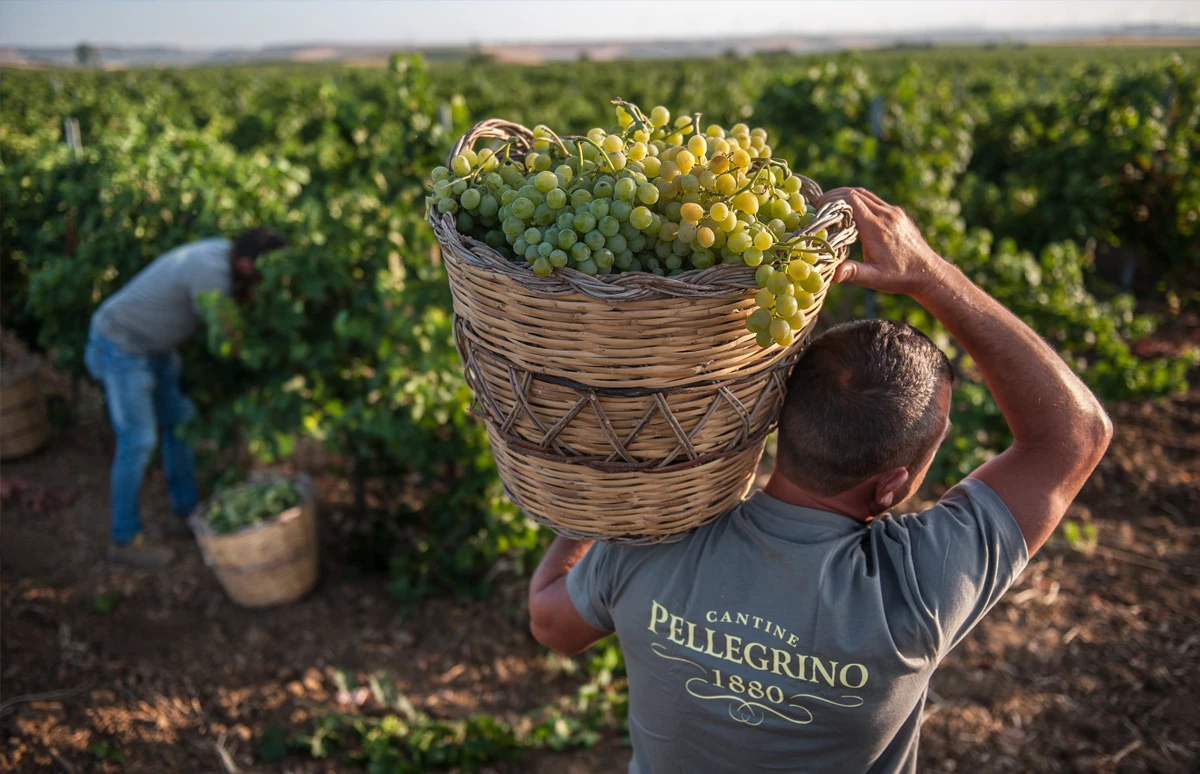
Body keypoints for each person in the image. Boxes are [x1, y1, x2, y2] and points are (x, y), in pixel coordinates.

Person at [527, 188, 1113, 772]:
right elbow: (1075, 436)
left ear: (779, 417)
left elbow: (551, 623)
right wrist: (929, 276)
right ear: (890, 486)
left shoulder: (661, 536)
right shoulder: (917, 586)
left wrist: (605, 496)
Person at [85, 229, 285, 569]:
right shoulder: (211, 274)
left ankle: (186, 511)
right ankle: (124, 539)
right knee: (139, 440)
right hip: (121, 345)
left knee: (182, 422)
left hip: (156, 348)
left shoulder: (226, 255)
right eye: (261, 272)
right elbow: (229, 341)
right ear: (244, 262)